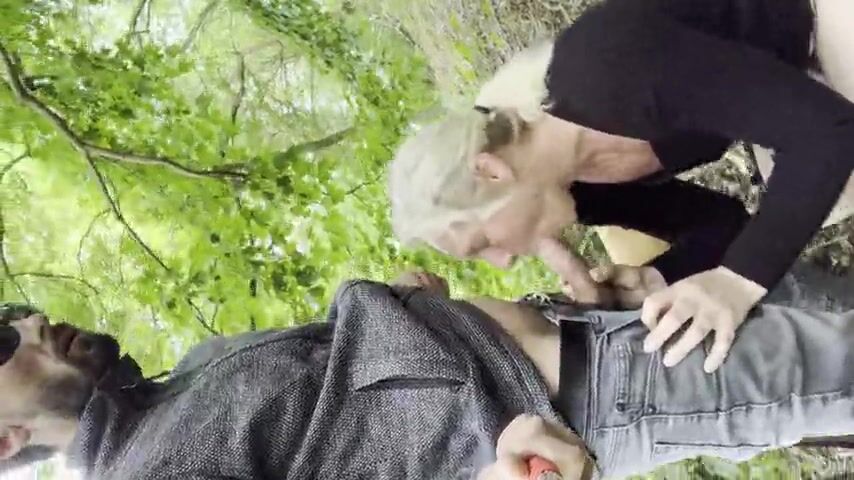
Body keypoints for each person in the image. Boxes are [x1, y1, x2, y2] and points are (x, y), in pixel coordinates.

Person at [1, 263, 853, 479]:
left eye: (12, 314)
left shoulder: (178, 386)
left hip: (600, 338)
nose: (30, 322)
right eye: (3, 345)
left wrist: (411, 310)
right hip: (607, 397)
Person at [387, 0, 854, 374]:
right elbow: (722, 222)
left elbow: (828, 134)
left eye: (484, 244)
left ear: (491, 171)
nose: (503, 261)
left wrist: (738, 282)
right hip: (795, 73)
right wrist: (657, 278)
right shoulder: (582, 187)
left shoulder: (605, 70)